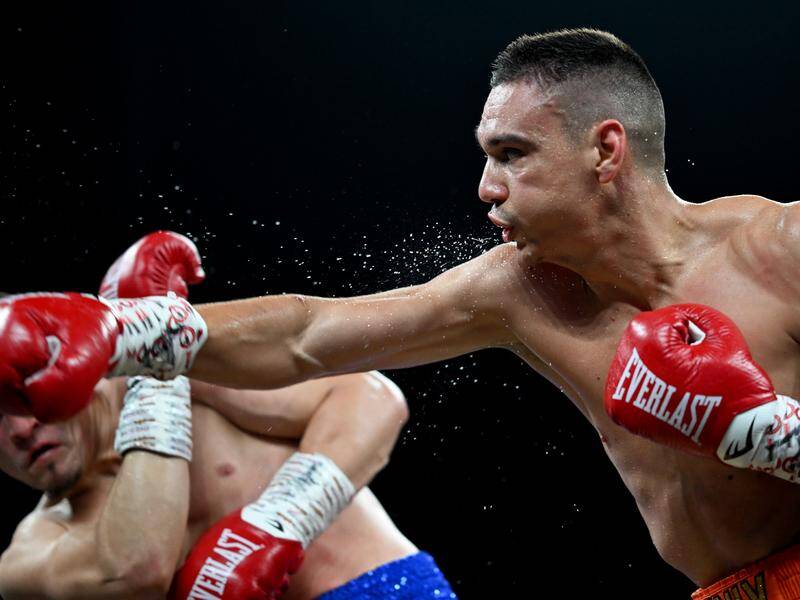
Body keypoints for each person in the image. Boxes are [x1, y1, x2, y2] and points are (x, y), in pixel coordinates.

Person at [5, 28, 800, 597]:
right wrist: (127, 331)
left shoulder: (781, 248)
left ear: (605, 149)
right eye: (486, 157)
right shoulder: (519, 287)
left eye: (512, 155)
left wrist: (767, 434)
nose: (486, 188)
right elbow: (311, 335)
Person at [0, 232, 457, 600]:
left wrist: (279, 522)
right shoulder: (30, 553)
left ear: (55, 365)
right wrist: (153, 365)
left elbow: (371, 399)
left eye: (18, 398)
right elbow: (136, 573)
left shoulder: (195, 377)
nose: (20, 429)